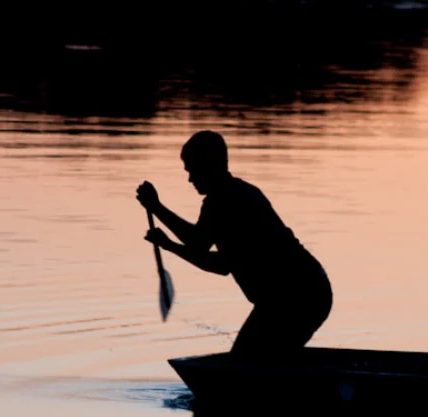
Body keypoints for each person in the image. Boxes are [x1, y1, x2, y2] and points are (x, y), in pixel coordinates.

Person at [136, 130, 332, 357]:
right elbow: (221, 265)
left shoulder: (225, 200)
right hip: (296, 295)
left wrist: (157, 210)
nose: (190, 179)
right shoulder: (231, 196)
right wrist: (168, 242)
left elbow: (198, 244)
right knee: (253, 360)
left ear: (208, 166)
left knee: (248, 362)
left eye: (191, 170)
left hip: (296, 296)